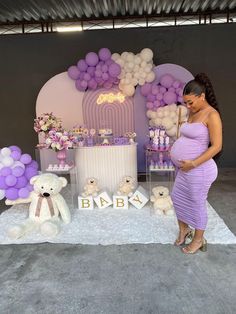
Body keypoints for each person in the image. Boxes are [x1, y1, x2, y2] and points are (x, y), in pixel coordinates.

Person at [170, 73, 222, 254]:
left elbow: (216, 146)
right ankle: (184, 229)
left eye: (191, 102)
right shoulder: (193, 113)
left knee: (197, 202)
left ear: (202, 96)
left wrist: (192, 163)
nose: (188, 106)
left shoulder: (212, 115)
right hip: (185, 169)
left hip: (199, 169)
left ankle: (198, 240)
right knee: (177, 197)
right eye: (185, 102)